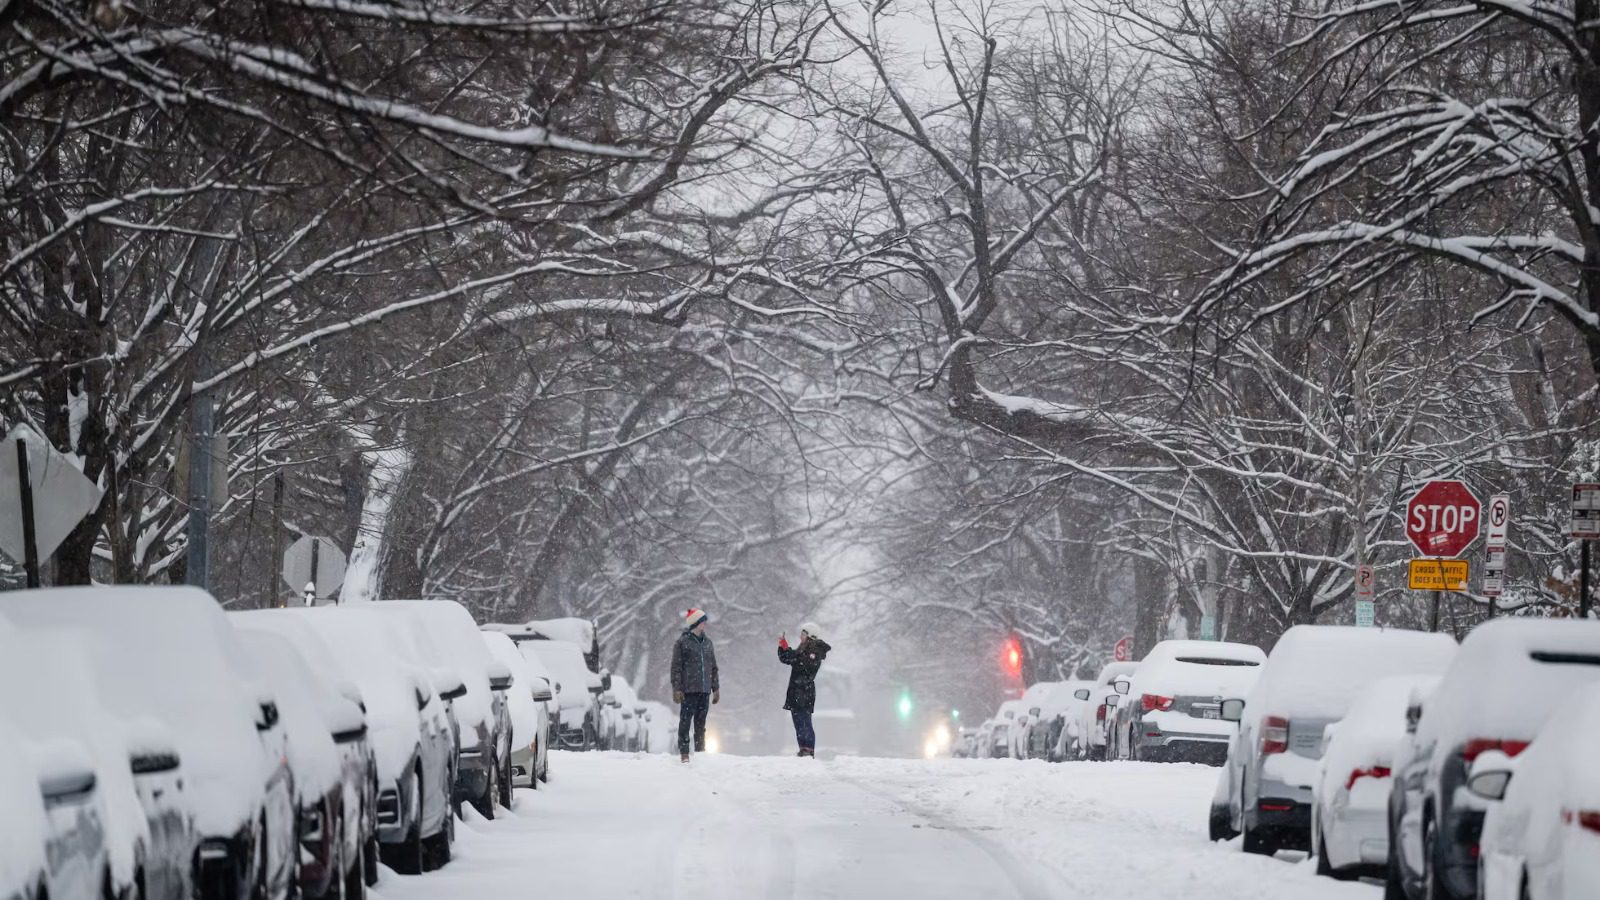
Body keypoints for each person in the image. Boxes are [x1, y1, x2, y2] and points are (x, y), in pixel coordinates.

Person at [670, 607, 719, 762]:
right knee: (685, 721)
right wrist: (677, 688)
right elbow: (676, 668)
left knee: (700, 723)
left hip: (704, 690)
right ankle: (684, 752)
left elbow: (713, 667)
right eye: (702, 621)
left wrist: (715, 688)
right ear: (696, 623)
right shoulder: (682, 642)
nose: (705, 624)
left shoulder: (708, 643)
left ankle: (700, 752)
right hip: (689, 690)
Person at [777, 622, 831, 757]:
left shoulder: (814, 650)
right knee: (798, 723)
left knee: (805, 722)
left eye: (803, 634)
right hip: (796, 691)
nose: (800, 637)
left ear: (810, 636)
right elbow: (787, 658)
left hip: (804, 692)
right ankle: (803, 749)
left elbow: (803, 664)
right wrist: (782, 647)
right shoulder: (802, 649)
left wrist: (789, 651)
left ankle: (809, 749)